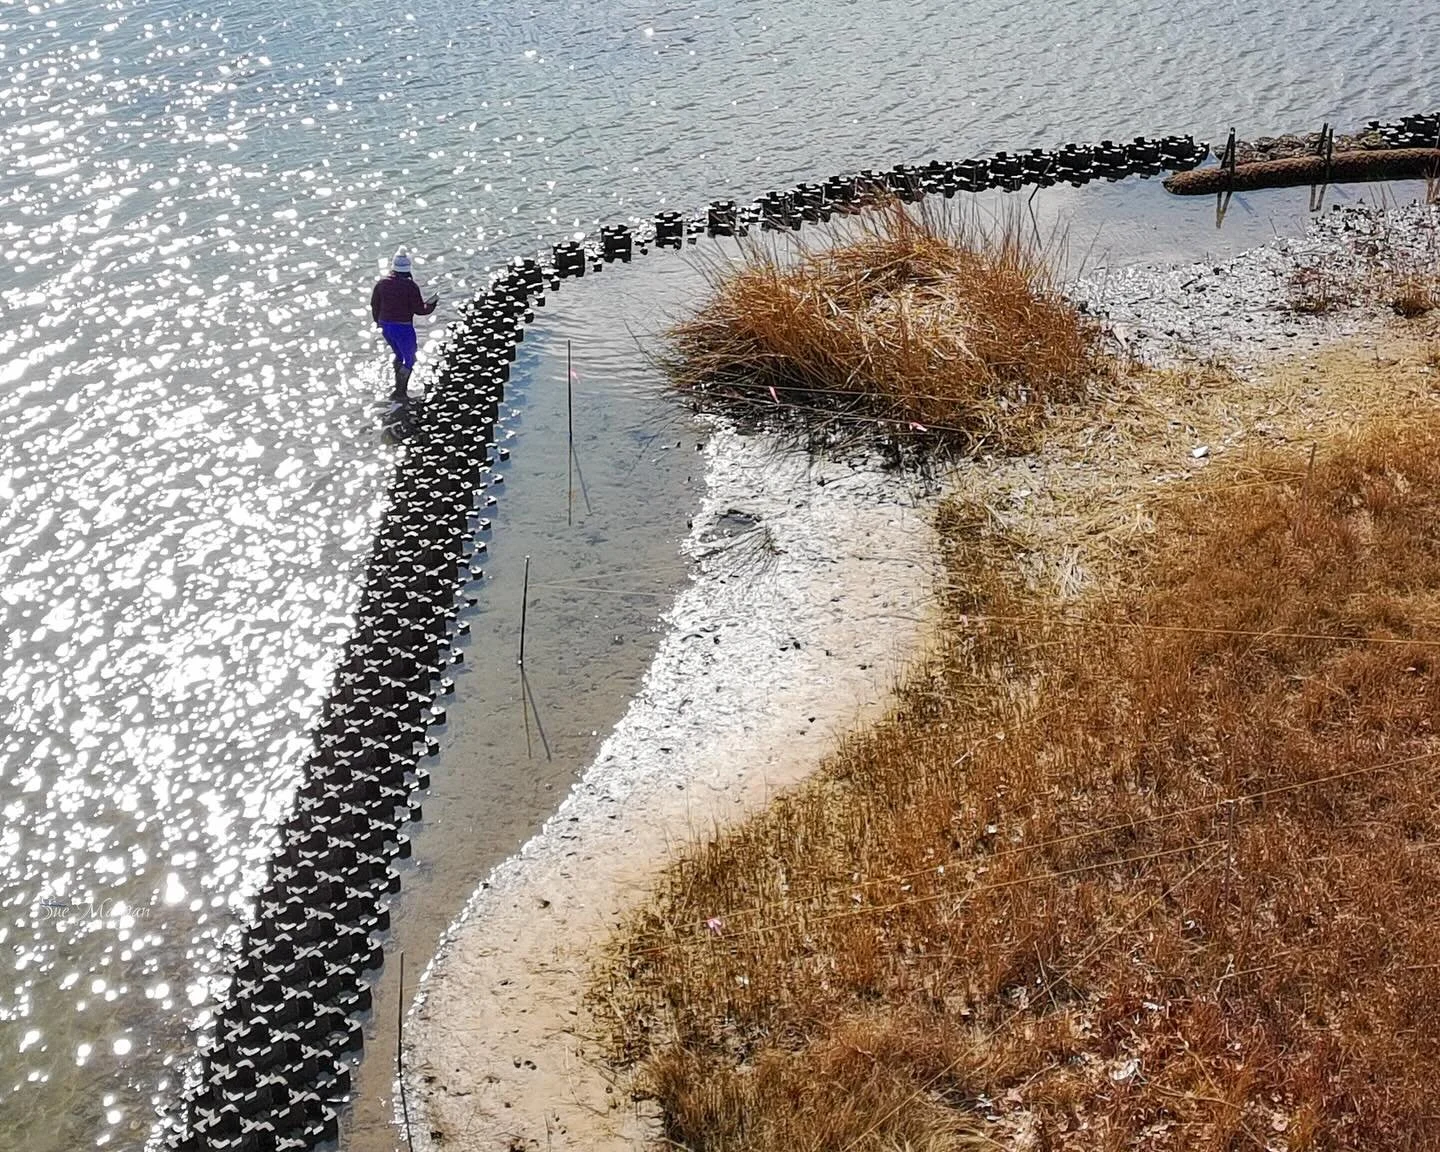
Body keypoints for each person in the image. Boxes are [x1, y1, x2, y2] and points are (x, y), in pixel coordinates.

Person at [370, 247, 438, 406]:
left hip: (386, 326)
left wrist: (378, 323)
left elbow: (374, 305)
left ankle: (397, 387)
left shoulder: (381, 284)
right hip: (403, 327)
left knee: (399, 355)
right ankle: (400, 393)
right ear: (407, 269)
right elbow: (420, 310)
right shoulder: (410, 286)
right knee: (410, 359)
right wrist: (432, 304)